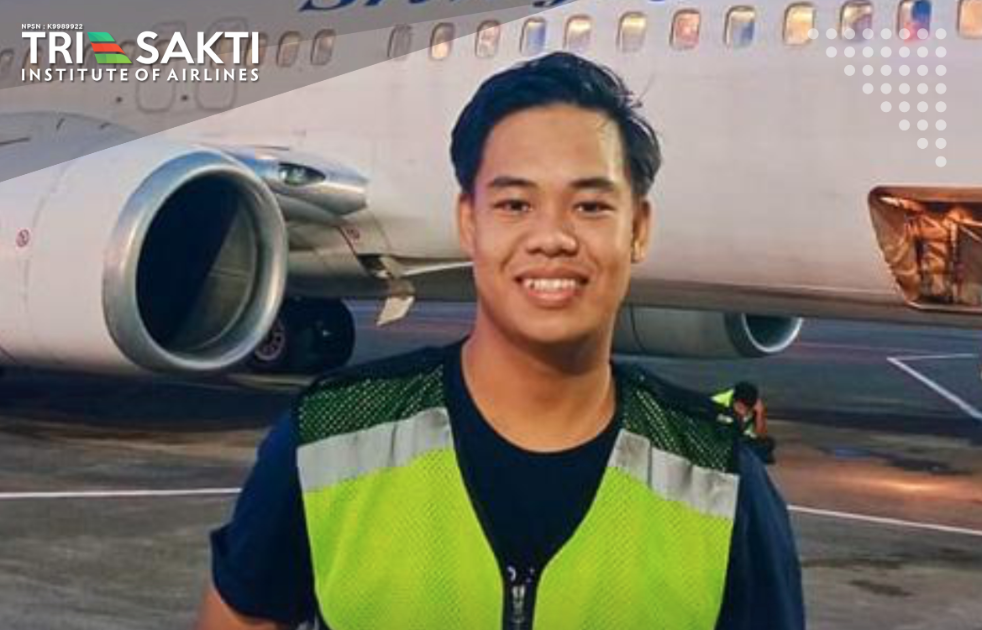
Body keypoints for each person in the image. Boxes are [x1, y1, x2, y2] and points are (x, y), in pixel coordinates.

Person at [195, 52, 804, 630]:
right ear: (469, 221)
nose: (552, 237)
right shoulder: (328, 441)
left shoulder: (723, 484)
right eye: (515, 204)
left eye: (591, 206)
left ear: (638, 229)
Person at [713, 381, 776, 465]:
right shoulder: (716, 402)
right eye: (740, 408)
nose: (743, 413)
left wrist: (760, 413)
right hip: (720, 439)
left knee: (768, 443)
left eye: (747, 410)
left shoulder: (754, 406)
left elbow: (761, 436)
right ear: (734, 400)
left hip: (740, 439)